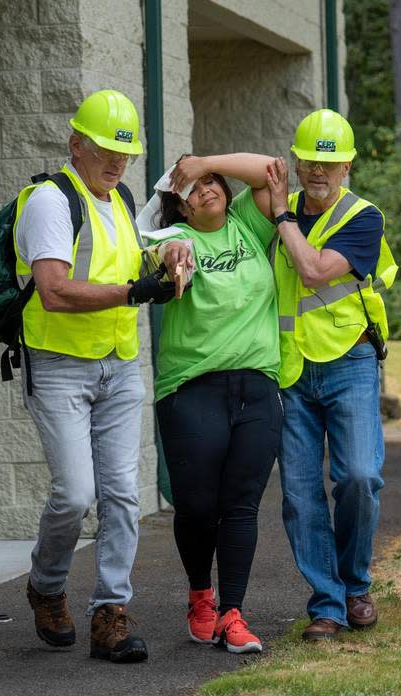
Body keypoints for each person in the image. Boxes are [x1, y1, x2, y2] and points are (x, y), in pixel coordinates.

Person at [15, 89, 175, 663]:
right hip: (59, 365)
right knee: (75, 494)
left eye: (125, 153)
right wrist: (135, 292)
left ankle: (110, 611)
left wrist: (167, 259)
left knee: (123, 495)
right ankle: (47, 585)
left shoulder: (122, 199)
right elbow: (55, 291)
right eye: (106, 149)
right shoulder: (50, 202)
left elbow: (133, 266)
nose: (116, 162)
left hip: (118, 365)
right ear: (75, 143)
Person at [265, 109, 398, 642]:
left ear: (347, 165)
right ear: (295, 160)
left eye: (330, 161)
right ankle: (327, 604)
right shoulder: (279, 199)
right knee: (299, 495)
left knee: (359, 478)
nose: (318, 171)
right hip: (291, 366)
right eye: (309, 160)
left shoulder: (364, 216)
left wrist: (281, 219)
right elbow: (248, 172)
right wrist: (201, 161)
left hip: (350, 360)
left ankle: (355, 583)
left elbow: (315, 270)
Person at [144, 153, 284, 654]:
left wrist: (201, 161)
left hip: (257, 386)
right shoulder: (170, 239)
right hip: (191, 388)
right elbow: (166, 258)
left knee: (241, 505)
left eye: (210, 182)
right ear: (179, 209)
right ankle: (200, 595)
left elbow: (271, 169)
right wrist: (174, 258)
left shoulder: (247, 222)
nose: (205, 189)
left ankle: (232, 613)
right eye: (191, 189)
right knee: (199, 507)